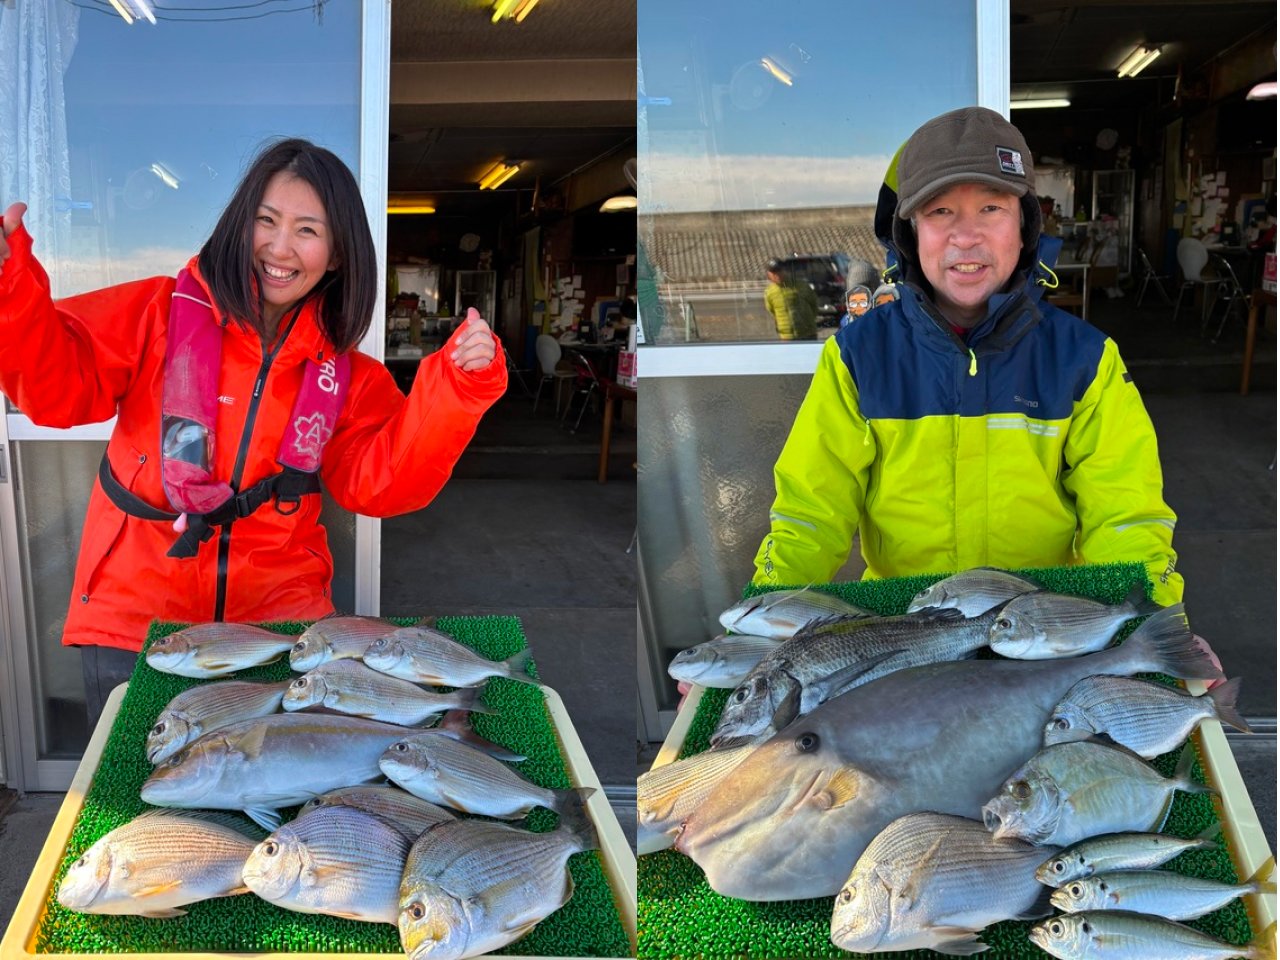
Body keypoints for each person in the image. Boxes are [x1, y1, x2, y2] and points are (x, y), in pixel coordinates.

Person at [0, 138, 507, 727]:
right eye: (266, 221)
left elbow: (382, 485)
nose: (280, 247)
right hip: (135, 621)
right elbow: (59, 391)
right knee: (134, 802)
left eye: (307, 230)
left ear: (338, 255)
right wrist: (11, 282)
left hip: (282, 629)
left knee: (269, 805)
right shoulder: (155, 312)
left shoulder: (350, 376)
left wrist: (457, 388)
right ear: (241, 226)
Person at [752, 106, 1183, 606]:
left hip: (1043, 625)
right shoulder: (857, 357)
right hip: (902, 626)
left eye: (991, 208)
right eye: (940, 211)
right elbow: (809, 516)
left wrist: (1152, 620)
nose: (965, 235)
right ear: (910, 234)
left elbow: (1127, 518)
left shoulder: (1085, 359)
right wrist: (758, 628)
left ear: (1024, 228)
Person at [763, 259, 818, 340]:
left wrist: (808, 324)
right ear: (769, 274)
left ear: (785, 270)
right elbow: (772, 311)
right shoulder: (769, 292)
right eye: (773, 272)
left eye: (779, 271)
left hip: (808, 335)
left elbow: (814, 304)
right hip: (786, 337)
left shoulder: (801, 285)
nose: (777, 275)